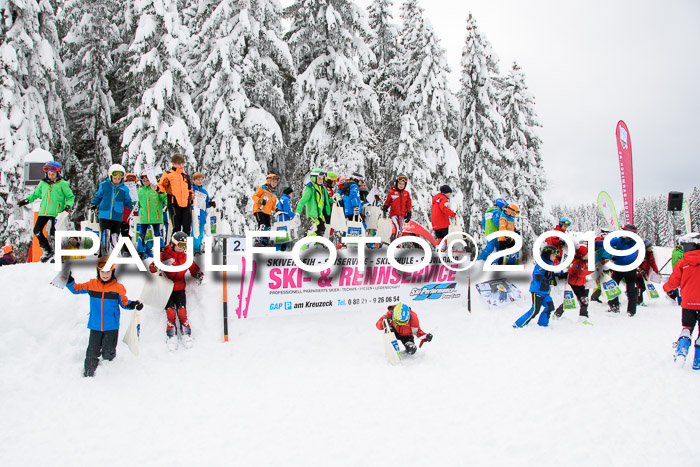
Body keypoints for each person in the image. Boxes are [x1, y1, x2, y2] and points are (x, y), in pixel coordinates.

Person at [66, 256, 143, 377]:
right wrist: (69, 280)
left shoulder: (118, 288)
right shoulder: (92, 284)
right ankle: (88, 374)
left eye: (108, 272)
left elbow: (124, 303)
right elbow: (76, 289)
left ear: (112, 272)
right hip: (95, 325)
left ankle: (108, 375)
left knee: (108, 352)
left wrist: (133, 304)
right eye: (102, 272)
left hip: (111, 326)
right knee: (92, 351)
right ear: (98, 271)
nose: (105, 275)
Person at [149, 231, 203, 350]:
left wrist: (198, 274)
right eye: (180, 245)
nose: (183, 248)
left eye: (185, 246)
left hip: (179, 289)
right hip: (166, 289)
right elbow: (152, 268)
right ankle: (171, 334)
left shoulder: (185, 257)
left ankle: (186, 333)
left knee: (182, 312)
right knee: (170, 312)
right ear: (173, 244)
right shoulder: (164, 254)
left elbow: (193, 268)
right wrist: (156, 266)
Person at [17, 161, 75, 262]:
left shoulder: (62, 184)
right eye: (49, 174)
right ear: (46, 174)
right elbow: (35, 195)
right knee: (37, 231)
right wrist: (26, 200)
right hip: (44, 211)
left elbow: (70, 197)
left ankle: (58, 255)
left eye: (53, 174)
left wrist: (68, 206)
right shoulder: (43, 183)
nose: (51, 176)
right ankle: (47, 251)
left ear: (57, 173)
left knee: (54, 234)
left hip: (57, 213)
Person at [662, 233, 700, 369]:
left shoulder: (682, 263)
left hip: (688, 302)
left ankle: (681, 354)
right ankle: (698, 362)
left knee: (687, 328)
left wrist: (666, 288)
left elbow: (673, 281)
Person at [91, 164, 133, 256]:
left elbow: (127, 201)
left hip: (117, 215)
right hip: (104, 214)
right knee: (105, 234)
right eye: (115, 178)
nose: (117, 181)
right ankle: (103, 254)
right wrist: (94, 204)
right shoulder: (104, 185)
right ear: (110, 177)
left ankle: (114, 254)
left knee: (114, 236)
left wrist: (131, 205)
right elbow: (98, 196)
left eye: (119, 179)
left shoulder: (124, 188)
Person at [514, 245, 559, 328]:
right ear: (547, 254)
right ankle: (518, 324)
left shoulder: (549, 264)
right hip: (538, 291)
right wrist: (546, 280)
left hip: (545, 292)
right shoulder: (542, 264)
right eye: (553, 255)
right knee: (535, 311)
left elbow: (550, 276)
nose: (555, 257)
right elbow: (537, 275)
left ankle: (542, 325)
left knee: (550, 307)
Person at [553, 245, 595, 324]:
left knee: (583, 301)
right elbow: (580, 273)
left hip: (580, 284)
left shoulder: (583, 260)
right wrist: (591, 270)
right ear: (582, 255)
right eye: (587, 253)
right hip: (574, 285)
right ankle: (557, 314)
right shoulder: (577, 263)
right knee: (570, 301)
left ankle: (583, 318)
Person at [607, 224, 641, 316]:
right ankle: (614, 307)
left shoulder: (635, 243)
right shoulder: (619, 240)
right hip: (618, 268)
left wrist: (616, 256)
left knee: (630, 290)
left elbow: (627, 258)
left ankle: (631, 311)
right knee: (612, 287)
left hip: (630, 269)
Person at [157, 153, 194, 235]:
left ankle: (185, 245)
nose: (181, 166)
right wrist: (156, 188)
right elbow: (162, 187)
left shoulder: (185, 175)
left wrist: (191, 195)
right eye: (179, 164)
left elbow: (189, 188)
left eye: (182, 164)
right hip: (174, 204)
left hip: (186, 204)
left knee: (187, 227)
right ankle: (175, 246)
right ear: (173, 163)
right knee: (176, 227)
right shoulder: (168, 174)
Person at [136, 170, 167, 259]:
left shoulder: (156, 189)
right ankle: (140, 251)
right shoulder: (140, 191)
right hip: (144, 216)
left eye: (147, 179)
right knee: (142, 234)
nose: (145, 181)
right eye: (143, 179)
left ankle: (160, 249)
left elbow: (164, 197)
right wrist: (133, 204)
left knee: (157, 233)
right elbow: (135, 202)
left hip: (155, 216)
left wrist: (169, 204)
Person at [296, 168, 331, 237]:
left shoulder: (322, 187)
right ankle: (305, 242)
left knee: (321, 230)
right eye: (319, 178)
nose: (321, 181)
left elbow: (326, 199)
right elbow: (302, 201)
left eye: (322, 178)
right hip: (313, 213)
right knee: (321, 229)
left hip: (319, 213)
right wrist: (298, 212)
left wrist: (333, 199)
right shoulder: (310, 188)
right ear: (314, 178)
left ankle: (316, 244)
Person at [191, 172, 216, 253]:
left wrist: (211, 204)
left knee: (200, 233)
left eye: (201, 180)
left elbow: (206, 203)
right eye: (198, 180)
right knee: (194, 232)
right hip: (193, 214)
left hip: (202, 215)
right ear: (193, 180)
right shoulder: (191, 189)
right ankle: (194, 249)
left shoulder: (204, 191)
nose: (200, 182)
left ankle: (198, 248)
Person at [476, 198, 507, 262]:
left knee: (498, 247)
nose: (504, 208)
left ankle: (495, 262)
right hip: (494, 232)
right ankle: (480, 261)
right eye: (504, 206)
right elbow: (496, 222)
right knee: (490, 248)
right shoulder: (497, 211)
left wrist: (487, 230)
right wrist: (504, 227)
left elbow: (483, 222)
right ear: (501, 206)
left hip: (489, 232)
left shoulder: (488, 212)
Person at [382, 175, 412, 240]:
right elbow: (388, 201)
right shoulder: (392, 192)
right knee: (396, 228)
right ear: (396, 183)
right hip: (394, 214)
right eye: (400, 183)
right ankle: (394, 241)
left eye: (403, 184)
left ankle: (398, 243)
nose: (401, 185)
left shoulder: (406, 193)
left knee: (401, 229)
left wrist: (409, 213)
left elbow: (408, 205)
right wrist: (385, 207)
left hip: (402, 215)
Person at [252, 173, 279, 245]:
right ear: (268, 181)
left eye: (276, 182)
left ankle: (265, 240)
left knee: (268, 227)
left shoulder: (274, 194)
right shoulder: (262, 188)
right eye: (273, 181)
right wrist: (260, 201)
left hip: (267, 212)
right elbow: (254, 196)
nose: (274, 184)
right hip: (259, 210)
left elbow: (273, 206)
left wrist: (276, 209)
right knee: (262, 225)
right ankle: (259, 239)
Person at [636, 240, 659, 306]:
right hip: (638, 275)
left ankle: (632, 294)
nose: (651, 248)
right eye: (650, 247)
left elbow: (653, 263)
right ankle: (639, 301)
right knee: (640, 287)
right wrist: (639, 270)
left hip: (645, 275)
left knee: (643, 288)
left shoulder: (650, 254)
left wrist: (657, 271)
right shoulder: (640, 254)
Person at [275, 186, 295, 251]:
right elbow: (287, 211)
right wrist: (293, 215)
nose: (292, 194)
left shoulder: (281, 199)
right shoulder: (286, 199)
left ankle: (279, 251)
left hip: (279, 220)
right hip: (284, 220)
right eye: (291, 192)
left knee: (280, 237)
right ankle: (279, 251)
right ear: (288, 193)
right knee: (286, 237)